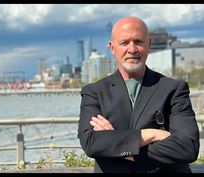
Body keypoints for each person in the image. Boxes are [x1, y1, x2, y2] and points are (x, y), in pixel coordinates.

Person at [77, 16, 200, 173]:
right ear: (112, 48)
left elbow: (188, 147)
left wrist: (117, 143)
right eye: (124, 43)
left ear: (149, 44)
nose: (132, 49)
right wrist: (151, 134)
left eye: (138, 41)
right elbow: (91, 144)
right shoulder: (94, 92)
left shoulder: (174, 89)